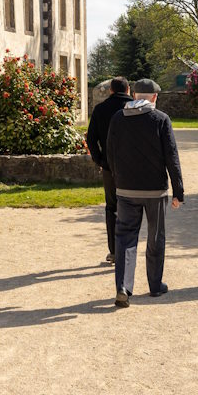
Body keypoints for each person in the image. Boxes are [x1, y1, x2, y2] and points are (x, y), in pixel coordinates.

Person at [106, 78, 184, 308]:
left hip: (126, 188)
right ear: (154, 98)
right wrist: (178, 190)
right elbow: (172, 157)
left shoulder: (118, 118)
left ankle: (123, 287)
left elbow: (110, 153)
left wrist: (118, 179)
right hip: (154, 190)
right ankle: (155, 285)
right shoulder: (160, 119)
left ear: (134, 96)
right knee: (155, 236)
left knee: (125, 238)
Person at [85, 77, 133, 264]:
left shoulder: (100, 109)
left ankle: (114, 251)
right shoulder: (135, 108)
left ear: (111, 90)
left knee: (112, 207)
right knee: (131, 207)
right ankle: (128, 249)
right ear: (128, 90)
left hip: (109, 165)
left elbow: (91, 139)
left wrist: (99, 159)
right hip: (132, 166)